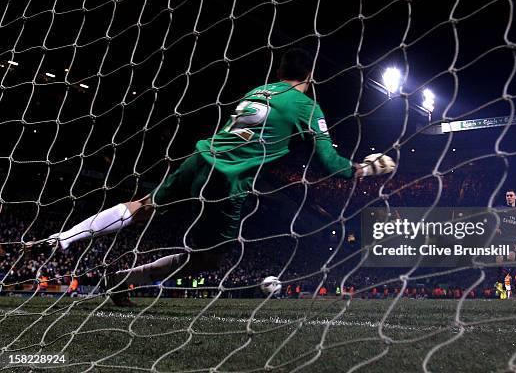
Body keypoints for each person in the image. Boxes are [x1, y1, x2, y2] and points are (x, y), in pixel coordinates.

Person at [24, 49, 394, 306]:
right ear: (310, 76)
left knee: (143, 205)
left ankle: (68, 236)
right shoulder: (308, 107)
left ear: (280, 73)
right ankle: (126, 278)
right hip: (227, 180)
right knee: (206, 260)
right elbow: (329, 162)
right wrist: (361, 170)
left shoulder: (257, 90)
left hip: (199, 157)